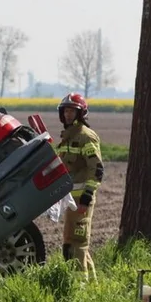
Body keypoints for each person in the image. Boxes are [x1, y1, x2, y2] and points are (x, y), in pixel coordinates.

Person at [56, 92, 103, 280]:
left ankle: (79, 289)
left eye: (71, 111)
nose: (68, 115)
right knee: (73, 241)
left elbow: (97, 169)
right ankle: (93, 286)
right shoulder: (67, 137)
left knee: (77, 244)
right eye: (65, 111)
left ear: (80, 113)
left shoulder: (86, 136)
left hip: (81, 200)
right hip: (71, 200)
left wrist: (86, 197)